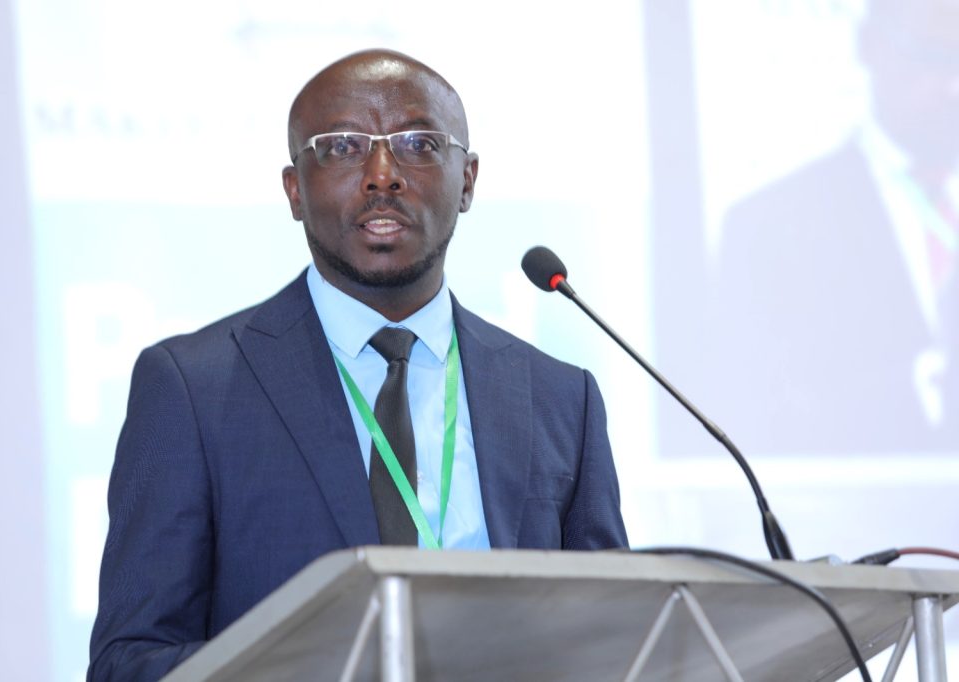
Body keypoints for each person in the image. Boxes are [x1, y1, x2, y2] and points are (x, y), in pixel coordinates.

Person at [87, 49, 628, 681]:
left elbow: (617, 635)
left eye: (418, 143)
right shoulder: (193, 390)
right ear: (295, 189)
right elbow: (131, 662)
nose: (381, 174)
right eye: (341, 147)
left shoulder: (561, 398)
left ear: (469, 181)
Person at [694, 0, 959, 455]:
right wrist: (922, 385)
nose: (952, 85)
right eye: (932, 57)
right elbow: (756, 413)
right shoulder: (770, 222)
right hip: (857, 516)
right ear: (871, 46)